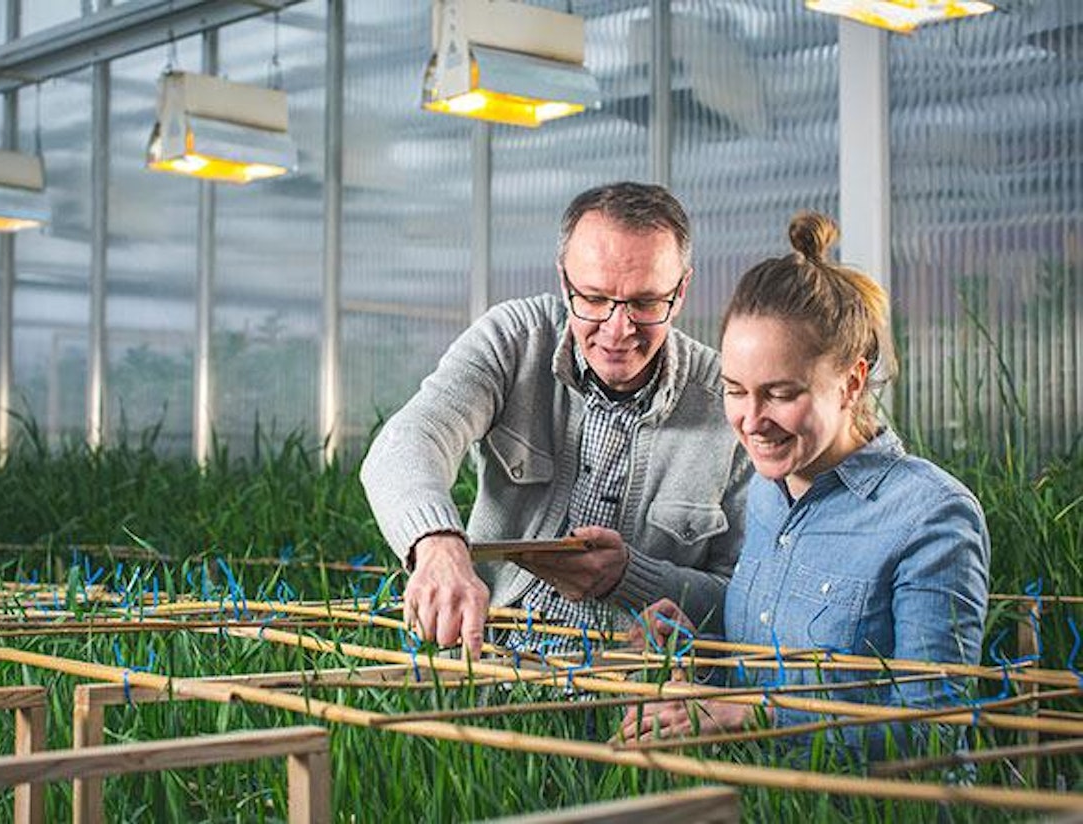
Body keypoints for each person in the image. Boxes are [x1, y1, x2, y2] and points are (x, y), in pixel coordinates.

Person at [620, 211, 990, 759]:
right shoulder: (766, 491)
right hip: (761, 794)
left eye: (781, 393)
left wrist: (751, 716)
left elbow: (932, 731)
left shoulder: (930, 516)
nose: (751, 420)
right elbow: (764, 664)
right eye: (735, 390)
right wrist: (696, 645)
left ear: (852, 382)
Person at [361, 181, 752, 660]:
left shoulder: (731, 400)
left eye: (645, 303)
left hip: (628, 679)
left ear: (682, 290)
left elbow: (748, 597)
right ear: (564, 281)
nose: (618, 330)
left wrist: (631, 578)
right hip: (487, 659)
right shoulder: (515, 339)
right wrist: (437, 544)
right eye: (594, 299)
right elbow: (406, 441)